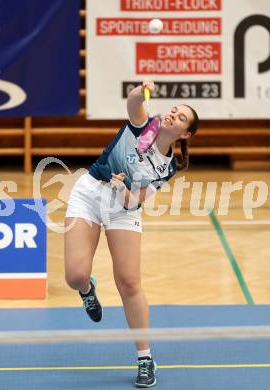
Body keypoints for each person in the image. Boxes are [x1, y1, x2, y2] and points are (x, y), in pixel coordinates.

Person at [64, 79, 199, 388]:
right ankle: (87, 290)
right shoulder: (146, 127)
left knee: (129, 281)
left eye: (180, 118)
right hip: (88, 193)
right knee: (75, 276)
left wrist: (122, 187)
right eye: (174, 110)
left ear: (184, 134)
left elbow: (134, 200)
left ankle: (145, 358)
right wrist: (142, 88)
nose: (172, 115)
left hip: (121, 205)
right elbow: (134, 103)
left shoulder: (167, 168)